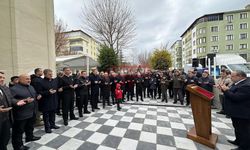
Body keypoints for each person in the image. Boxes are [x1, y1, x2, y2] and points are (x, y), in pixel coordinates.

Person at [220, 70, 250, 150]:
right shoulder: (238, 83)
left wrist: (226, 90)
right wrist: (224, 89)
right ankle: (238, 141)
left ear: (240, 76)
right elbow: (231, 92)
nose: (230, 77)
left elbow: (237, 97)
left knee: (244, 130)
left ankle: (244, 147)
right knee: (237, 127)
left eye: (233, 76)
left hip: (242, 112)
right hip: (236, 111)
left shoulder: (246, 85)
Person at [10, 74, 41, 150]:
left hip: (32, 112)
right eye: (27, 79)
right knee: (18, 131)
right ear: (20, 80)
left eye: (29, 79)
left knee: (30, 127)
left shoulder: (30, 86)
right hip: (21, 114)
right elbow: (10, 99)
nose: (29, 80)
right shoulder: (14, 89)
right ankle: (18, 146)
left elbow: (34, 94)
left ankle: (30, 137)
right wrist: (22, 101)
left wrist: (38, 95)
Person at [0, 71, 25, 150]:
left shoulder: (5, 87)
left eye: (3, 78)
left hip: (6, 118)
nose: (2, 79)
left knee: (4, 140)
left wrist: (17, 102)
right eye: (0, 77)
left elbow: (11, 99)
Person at [37, 69, 60, 133]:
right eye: (49, 74)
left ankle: (52, 125)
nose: (51, 75)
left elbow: (56, 88)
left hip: (54, 100)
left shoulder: (54, 81)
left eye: (51, 74)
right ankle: (47, 128)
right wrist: (48, 92)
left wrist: (56, 90)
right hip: (46, 102)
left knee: (53, 114)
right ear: (45, 74)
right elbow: (39, 92)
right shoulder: (41, 82)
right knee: (46, 116)